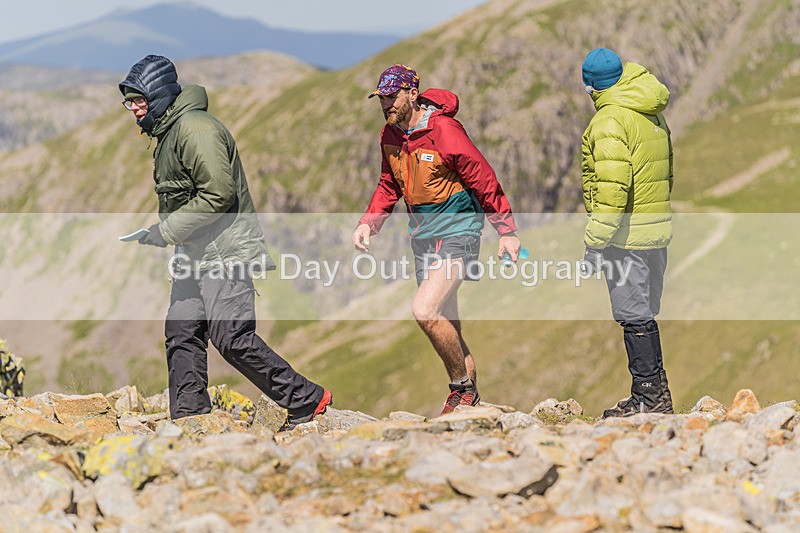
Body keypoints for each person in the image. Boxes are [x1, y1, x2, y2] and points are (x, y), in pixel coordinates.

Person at [120, 54, 331, 428]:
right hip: (194, 254)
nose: (134, 109)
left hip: (226, 252)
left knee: (231, 336)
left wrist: (166, 232)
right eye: (129, 102)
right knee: (181, 331)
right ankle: (191, 420)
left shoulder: (195, 129)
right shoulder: (169, 133)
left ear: (160, 95)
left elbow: (218, 193)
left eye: (139, 100)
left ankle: (306, 398)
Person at [353, 64, 521, 416]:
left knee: (424, 310)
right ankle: (470, 403)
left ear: (412, 94)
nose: (386, 104)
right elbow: (389, 184)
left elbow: (482, 178)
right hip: (423, 237)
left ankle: (459, 389)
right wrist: (370, 222)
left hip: (458, 231)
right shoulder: (390, 135)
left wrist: (506, 231)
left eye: (392, 96)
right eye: (382, 98)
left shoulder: (444, 129)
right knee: (448, 323)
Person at [579, 48, 674, 417]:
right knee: (644, 313)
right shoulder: (649, 111)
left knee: (633, 316)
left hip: (625, 237)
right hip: (655, 228)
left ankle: (651, 399)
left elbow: (612, 190)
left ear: (591, 87)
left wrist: (595, 242)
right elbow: (667, 173)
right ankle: (653, 394)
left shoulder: (608, 122)